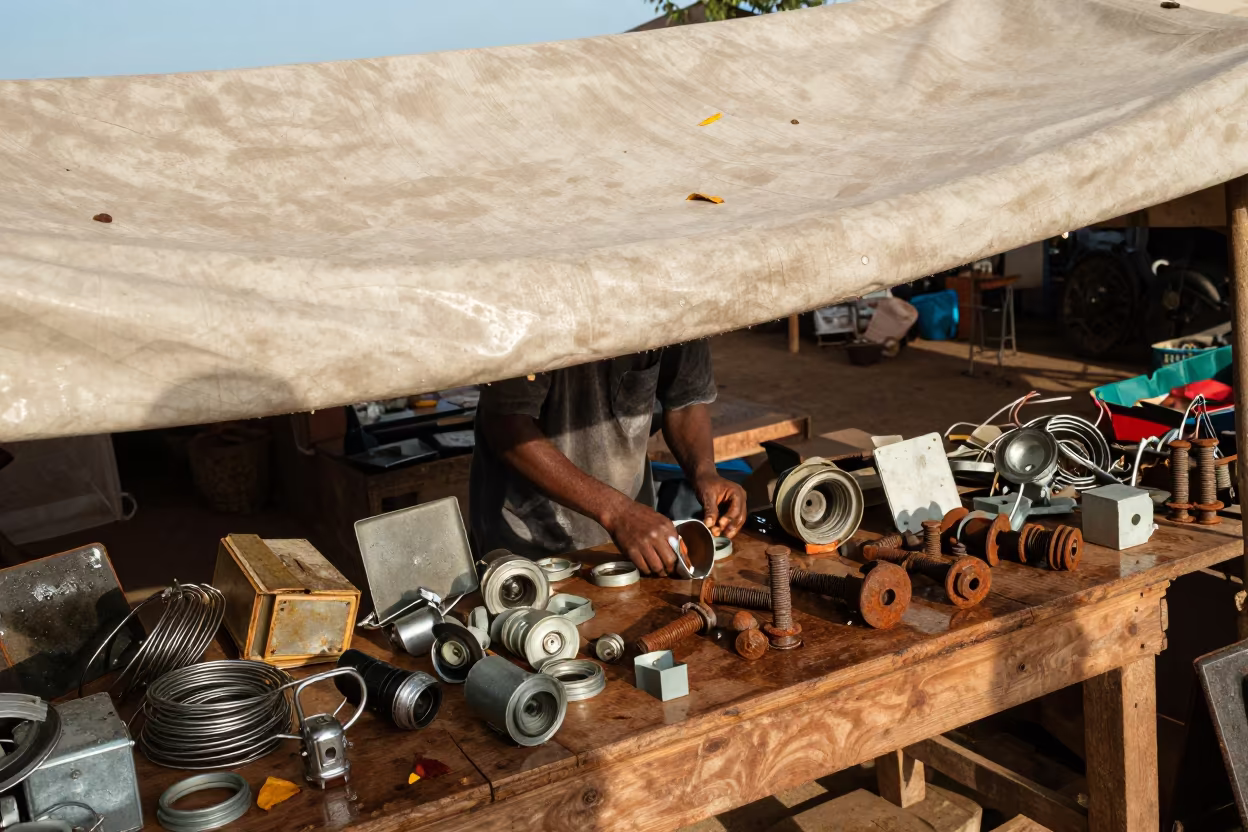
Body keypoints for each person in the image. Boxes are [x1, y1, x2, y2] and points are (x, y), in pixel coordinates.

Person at [470, 341, 747, 576]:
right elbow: (506, 426)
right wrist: (617, 512)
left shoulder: (675, 298)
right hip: (527, 537)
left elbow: (686, 402)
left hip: (634, 533)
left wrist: (705, 471)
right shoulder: (535, 306)